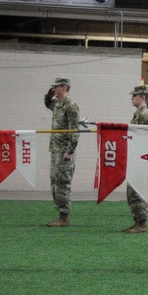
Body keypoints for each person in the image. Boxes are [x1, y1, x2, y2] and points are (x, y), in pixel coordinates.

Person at [44, 77, 80, 227]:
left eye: (56, 87)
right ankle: (60, 213)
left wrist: (70, 151)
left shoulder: (70, 106)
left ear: (63, 87)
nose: (54, 89)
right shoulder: (58, 104)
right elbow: (47, 103)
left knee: (63, 183)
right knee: (55, 183)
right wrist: (48, 94)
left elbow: (75, 131)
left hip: (64, 152)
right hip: (55, 150)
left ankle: (64, 216)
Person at [122, 84, 148, 233]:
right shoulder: (137, 115)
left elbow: (145, 139)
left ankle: (141, 223)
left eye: (134, 95)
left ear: (142, 97)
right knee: (132, 191)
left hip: (141, 158)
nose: (132, 98)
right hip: (135, 157)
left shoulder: (145, 115)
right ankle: (137, 221)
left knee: (138, 191)